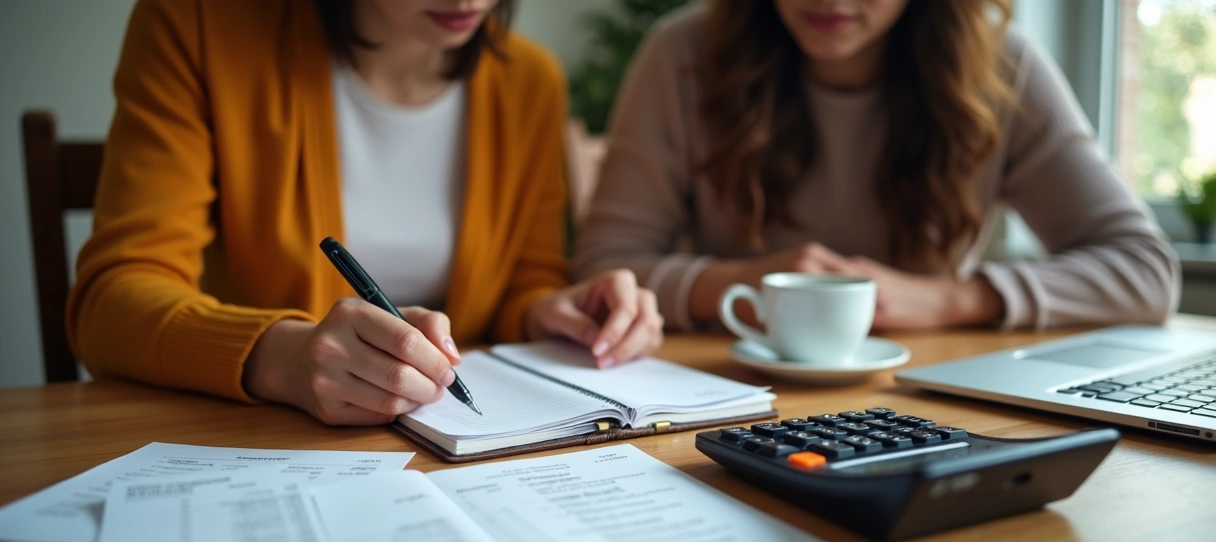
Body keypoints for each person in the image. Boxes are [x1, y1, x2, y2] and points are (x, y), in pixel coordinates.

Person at [67, 0, 663, 427]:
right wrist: (282, 358)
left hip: (457, 463)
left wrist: (549, 311)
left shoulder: (528, 81)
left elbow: (520, 282)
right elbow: (110, 301)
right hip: (269, 443)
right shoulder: (194, 25)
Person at [572, 0, 1180, 334]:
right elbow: (603, 269)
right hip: (726, 398)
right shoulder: (682, 53)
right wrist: (745, 283)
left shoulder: (1001, 69)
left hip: (931, 404)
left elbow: (1146, 270)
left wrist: (951, 300)